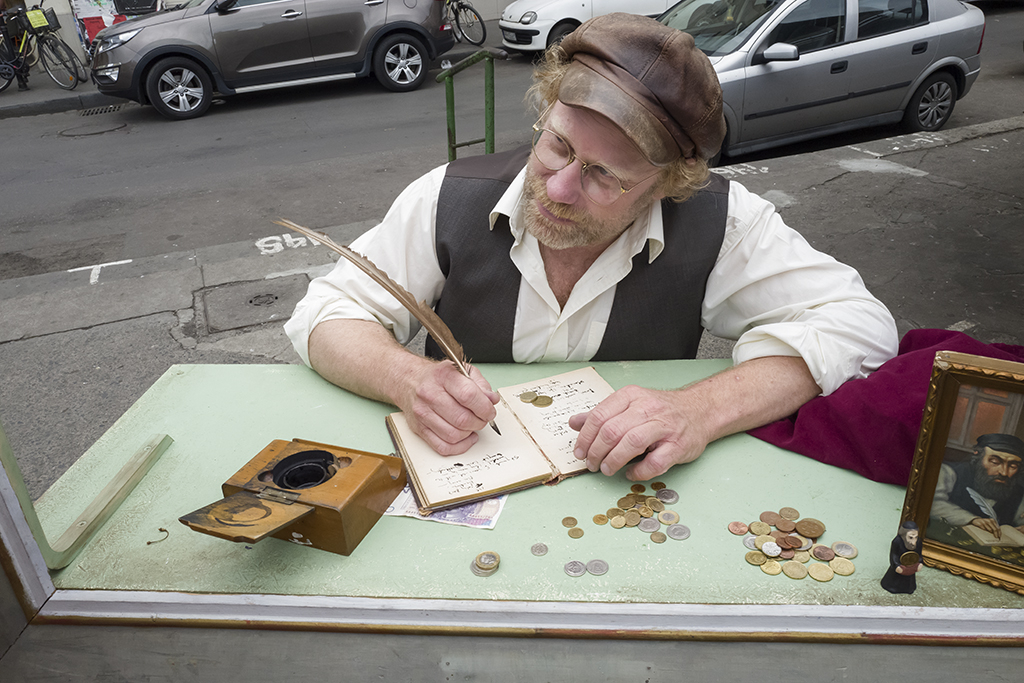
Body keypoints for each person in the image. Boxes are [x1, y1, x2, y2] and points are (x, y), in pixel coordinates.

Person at [285, 13, 897, 482]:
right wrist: (405, 377)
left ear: (667, 184)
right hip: (469, 482)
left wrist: (700, 410)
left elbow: (860, 327)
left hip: (632, 496)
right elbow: (326, 313)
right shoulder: (446, 199)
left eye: (605, 175)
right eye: (556, 144)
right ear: (547, 110)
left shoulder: (722, 221)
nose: (559, 187)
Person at [929, 433, 1024, 538]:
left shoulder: (1018, 492)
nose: (1004, 472)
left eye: (1013, 466)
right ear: (978, 456)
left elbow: (1020, 519)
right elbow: (932, 503)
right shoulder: (950, 472)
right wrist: (971, 519)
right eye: (995, 462)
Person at [880, 520, 923, 594]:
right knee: (894, 580)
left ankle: (909, 588)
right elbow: (894, 555)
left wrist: (920, 562)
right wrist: (896, 565)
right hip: (899, 566)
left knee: (909, 581)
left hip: (911, 566)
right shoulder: (897, 541)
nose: (914, 541)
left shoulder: (918, 542)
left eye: (915, 537)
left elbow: (919, 554)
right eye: (911, 537)